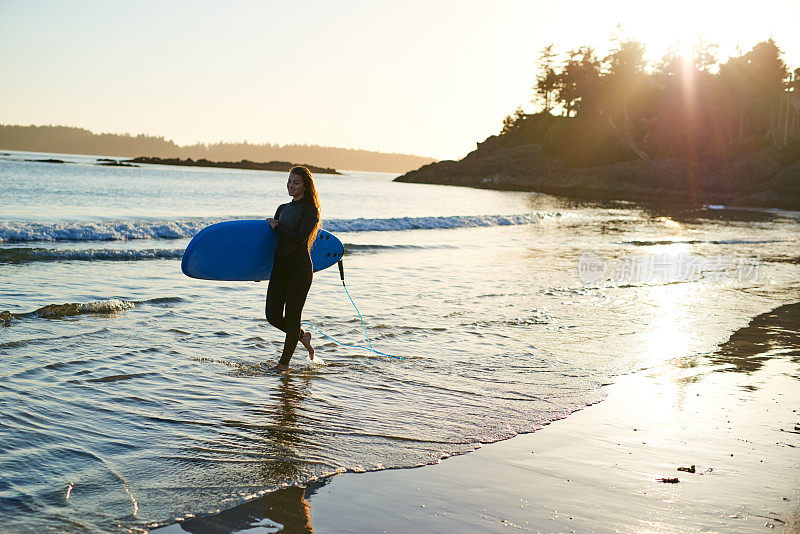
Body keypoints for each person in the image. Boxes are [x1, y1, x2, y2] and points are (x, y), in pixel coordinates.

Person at [265, 166, 321, 372]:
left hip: (299, 269)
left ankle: (284, 364)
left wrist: (277, 226)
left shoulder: (310, 211)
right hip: (279, 268)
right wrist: (256, 270)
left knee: (293, 316)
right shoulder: (282, 208)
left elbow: (298, 238)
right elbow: (273, 242)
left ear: (305, 186)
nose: (290, 185)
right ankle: (301, 336)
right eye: (289, 181)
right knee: (272, 315)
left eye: (295, 182)